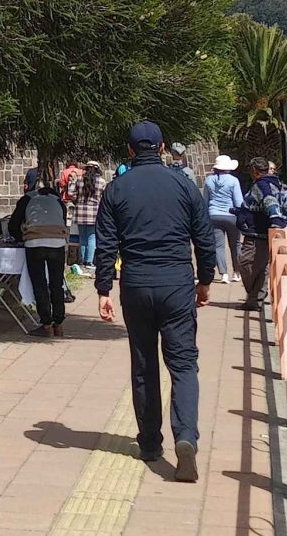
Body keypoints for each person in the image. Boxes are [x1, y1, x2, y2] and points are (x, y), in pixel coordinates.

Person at [95, 121, 215, 484]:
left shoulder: (116, 189)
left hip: (136, 283)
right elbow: (205, 237)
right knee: (183, 364)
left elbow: (105, 245)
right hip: (177, 282)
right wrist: (205, 280)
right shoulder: (183, 184)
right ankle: (186, 437)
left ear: (130, 151)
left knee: (144, 363)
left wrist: (103, 289)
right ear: (162, 148)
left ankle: (149, 443)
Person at [10, 169, 70, 336]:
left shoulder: (27, 199)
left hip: (35, 243)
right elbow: (62, 220)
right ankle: (59, 323)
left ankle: (46, 324)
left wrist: (20, 238)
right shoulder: (58, 200)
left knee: (40, 284)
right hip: (57, 243)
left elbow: (13, 225)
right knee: (57, 283)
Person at [235, 156, 287, 313]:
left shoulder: (262, 186)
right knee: (261, 267)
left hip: (257, 233)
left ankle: (255, 296)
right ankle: (255, 300)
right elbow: (283, 204)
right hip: (261, 232)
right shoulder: (276, 184)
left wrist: (276, 220)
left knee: (245, 263)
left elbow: (269, 201)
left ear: (254, 170)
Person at [203, 156, 244, 285]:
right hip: (231, 216)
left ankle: (223, 274)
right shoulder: (233, 181)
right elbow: (238, 201)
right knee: (236, 244)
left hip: (214, 215)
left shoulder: (209, 180)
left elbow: (205, 200)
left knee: (218, 246)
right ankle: (237, 272)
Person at [72, 161, 104, 271]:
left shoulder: (79, 180)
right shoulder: (101, 181)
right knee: (92, 237)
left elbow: (71, 193)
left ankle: (82, 261)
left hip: (80, 211)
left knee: (82, 237)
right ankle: (89, 262)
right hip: (95, 211)